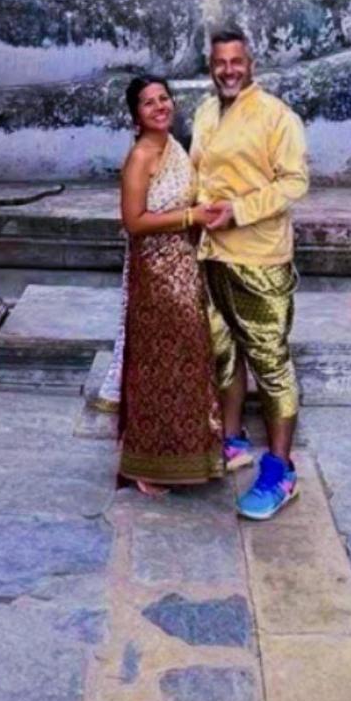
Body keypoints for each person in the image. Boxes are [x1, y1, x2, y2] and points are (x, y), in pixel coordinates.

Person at [192, 29, 308, 520]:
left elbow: (295, 182)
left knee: (270, 361)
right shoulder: (204, 112)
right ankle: (233, 439)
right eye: (220, 62)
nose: (228, 70)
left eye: (236, 61)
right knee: (223, 351)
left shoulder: (276, 116)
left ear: (251, 64)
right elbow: (199, 174)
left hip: (259, 257)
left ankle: (281, 471)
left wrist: (238, 211)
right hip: (211, 253)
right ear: (211, 67)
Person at [116, 75, 225, 495]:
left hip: (186, 265)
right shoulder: (141, 157)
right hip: (157, 274)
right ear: (136, 115)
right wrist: (190, 218)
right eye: (149, 103)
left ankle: (188, 456)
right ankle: (147, 465)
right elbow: (134, 221)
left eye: (164, 98)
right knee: (158, 366)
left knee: (188, 361)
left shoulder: (175, 147)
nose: (160, 106)